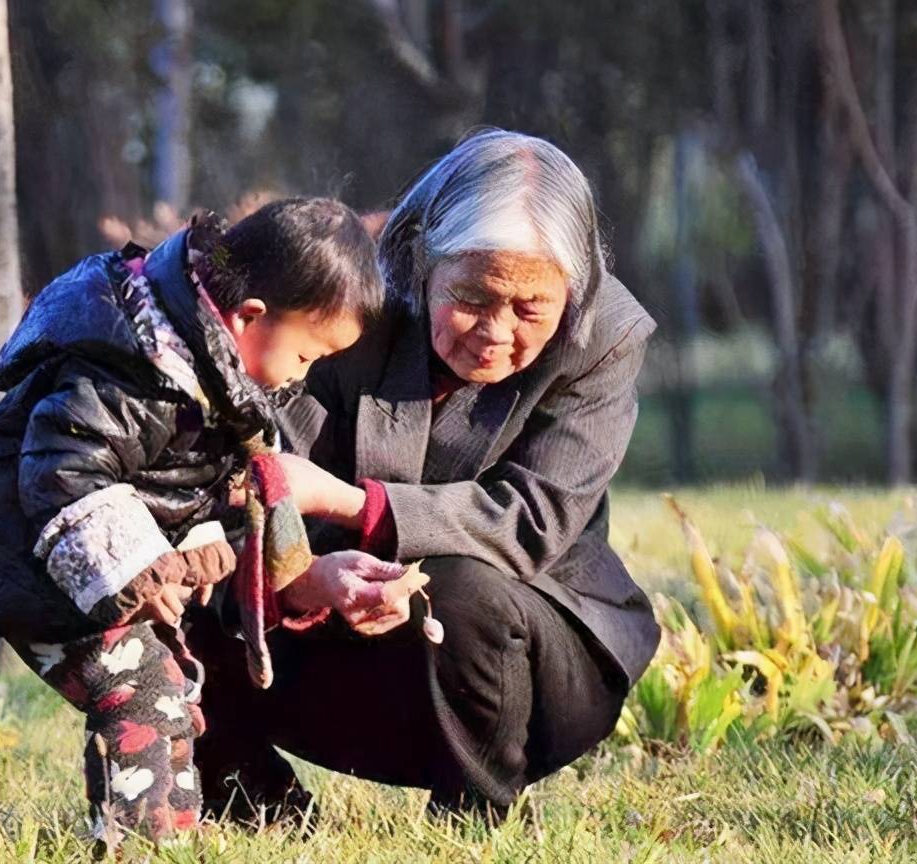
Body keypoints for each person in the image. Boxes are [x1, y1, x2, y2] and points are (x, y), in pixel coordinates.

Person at [188, 129, 662, 819]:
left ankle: (474, 814)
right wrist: (311, 575)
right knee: (157, 570)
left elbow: (532, 521)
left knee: (462, 583)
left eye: (530, 308)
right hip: (320, 636)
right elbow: (250, 481)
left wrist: (356, 505)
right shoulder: (340, 301)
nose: (496, 332)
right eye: (471, 296)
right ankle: (253, 799)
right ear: (419, 262)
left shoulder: (605, 335)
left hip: (524, 665)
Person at [0, 198, 400, 844]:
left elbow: (185, 483)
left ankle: (177, 827)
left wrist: (206, 537)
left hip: (87, 577)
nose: (303, 376)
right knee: (143, 686)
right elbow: (62, 470)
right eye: (306, 356)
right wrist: (140, 563)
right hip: (44, 572)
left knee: (172, 686)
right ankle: (140, 841)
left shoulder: (209, 375)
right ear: (249, 318)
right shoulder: (136, 369)